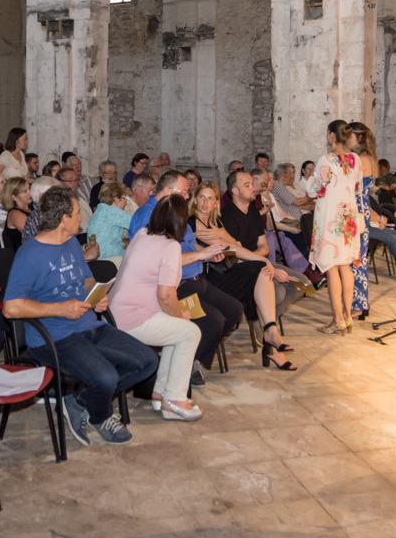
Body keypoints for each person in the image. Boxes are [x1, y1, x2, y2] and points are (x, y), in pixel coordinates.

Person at [2, 188, 159, 446]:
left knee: (147, 361)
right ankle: (101, 415)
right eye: (77, 214)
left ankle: (78, 401)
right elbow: (11, 308)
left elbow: (86, 280)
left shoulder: (71, 243)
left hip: (87, 325)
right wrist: (60, 309)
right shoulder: (29, 254)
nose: (81, 219)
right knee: (106, 377)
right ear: (63, 219)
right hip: (54, 336)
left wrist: (96, 296)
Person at [130, 171, 241, 387]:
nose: (188, 196)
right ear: (168, 191)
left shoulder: (173, 210)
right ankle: (185, 363)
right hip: (176, 285)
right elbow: (158, 262)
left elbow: (190, 243)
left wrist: (208, 252)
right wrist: (200, 255)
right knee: (213, 321)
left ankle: (191, 357)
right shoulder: (150, 216)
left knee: (234, 310)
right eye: (184, 192)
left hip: (196, 277)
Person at [110, 196, 209, 421]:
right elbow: (165, 296)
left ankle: (161, 393)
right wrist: (181, 316)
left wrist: (178, 317)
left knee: (179, 330)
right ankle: (174, 398)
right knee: (190, 332)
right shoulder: (170, 246)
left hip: (117, 313)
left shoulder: (142, 234)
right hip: (132, 318)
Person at [189, 181, 295, 370]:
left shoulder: (216, 222)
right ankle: (271, 340)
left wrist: (263, 261)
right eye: (201, 197)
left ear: (216, 202)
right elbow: (229, 246)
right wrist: (262, 260)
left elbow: (235, 245)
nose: (205, 203)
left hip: (225, 273)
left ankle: (270, 332)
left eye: (210, 198)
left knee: (261, 272)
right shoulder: (191, 222)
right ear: (195, 200)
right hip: (208, 280)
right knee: (260, 273)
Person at [221, 171, 304, 365]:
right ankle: (270, 337)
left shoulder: (251, 211)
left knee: (300, 283)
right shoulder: (228, 215)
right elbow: (238, 256)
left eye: (252, 183)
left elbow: (264, 247)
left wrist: (257, 257)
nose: (254, 188)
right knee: (278, 292)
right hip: (241, 269)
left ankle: (266, 329)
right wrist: (261, 261)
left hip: (257, 262)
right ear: (235, 191)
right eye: (247, 185)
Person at [309, 120, 363, 335]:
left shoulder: (326, 160)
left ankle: (337, 319)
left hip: (331, 217)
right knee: (345, 267)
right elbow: (357, 187)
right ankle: (347, 316)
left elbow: (314, 190)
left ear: (332, 135)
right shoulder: (355, 159)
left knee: (332, 268)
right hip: (348, 218)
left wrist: (311, 180)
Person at [347, 122, 376, 318]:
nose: (346, 140)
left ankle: (358, 305)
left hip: (356, 211)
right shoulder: (369, 158)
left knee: (355, 259)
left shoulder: (359, 159)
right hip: (362, 210)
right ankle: (360, 302)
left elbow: (350, 187)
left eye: (349, 136)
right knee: (358, 257)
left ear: (358, 138)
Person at [87, 182, 133, 260]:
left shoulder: (101, 210)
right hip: (109, 258)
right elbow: (138, 223)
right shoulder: (112, 211)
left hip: (101, 257)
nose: (126, 203)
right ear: (116, 199)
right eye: (124, 199)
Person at [0, 176, 32, 249]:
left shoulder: (32, 208)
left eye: (29, 188)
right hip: (23, 253)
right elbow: (33, 234)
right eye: (24, 191)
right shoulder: (15, 214)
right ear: (14, 197)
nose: (29, 193)